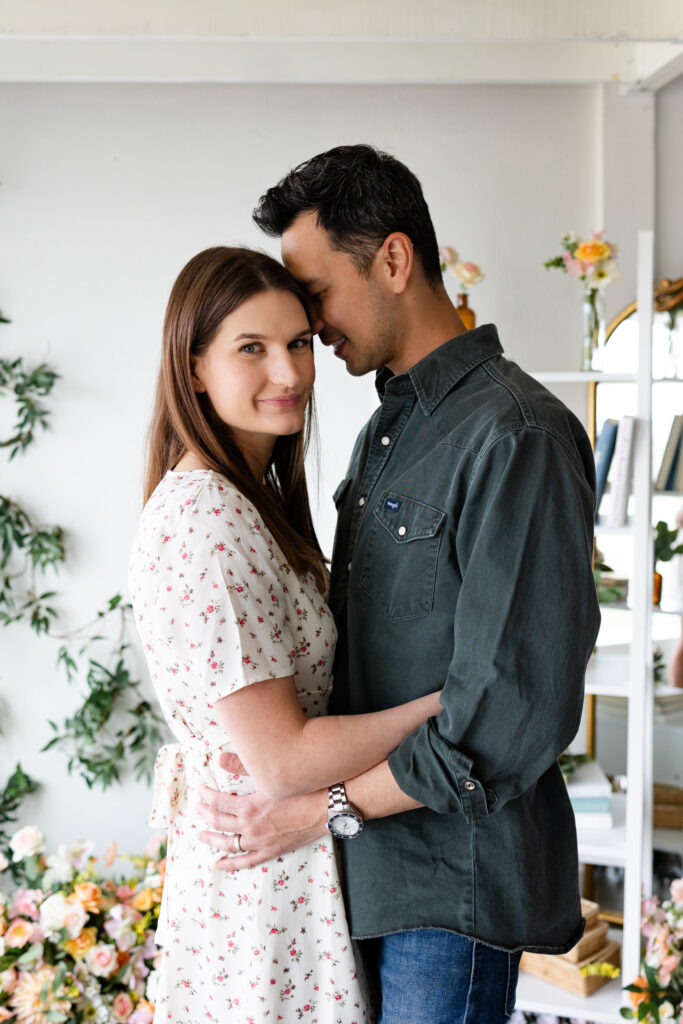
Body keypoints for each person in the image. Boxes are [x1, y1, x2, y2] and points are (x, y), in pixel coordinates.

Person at [197, 146, 602, 1024]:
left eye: (316, 295)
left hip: (448, 891)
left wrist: (323, 809)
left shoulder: (516, 434)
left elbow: (508, 714)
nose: (311, 329)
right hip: (367, 878)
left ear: (391, 259)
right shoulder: (386, 431)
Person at [128, 246, 444, 1022]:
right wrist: (446, 701)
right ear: (193, 367)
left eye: (298, 342)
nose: (290, 373)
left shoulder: (246, 502)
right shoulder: (209, 518)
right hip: (263, 885)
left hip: (276, 874)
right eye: (252, 349)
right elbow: (282, 760)